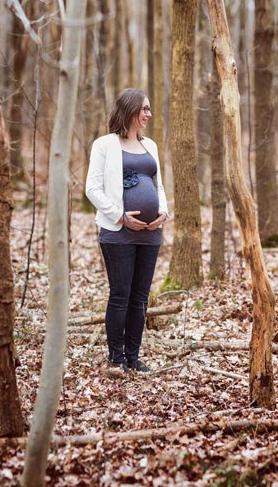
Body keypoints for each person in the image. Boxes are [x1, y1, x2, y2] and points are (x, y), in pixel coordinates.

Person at [85, 88, 169, 373]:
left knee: (141, 296)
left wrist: (163, 212)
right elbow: (92, 189)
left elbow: (158, 186)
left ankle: (134, 357)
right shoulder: (104, 145)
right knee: (120, 293)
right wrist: (120, 216)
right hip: (117, 230)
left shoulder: (151, 146)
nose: (148, 114)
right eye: (144, 109)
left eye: (149, 109)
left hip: (150, 232)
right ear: (130, 109)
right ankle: (116, 358)